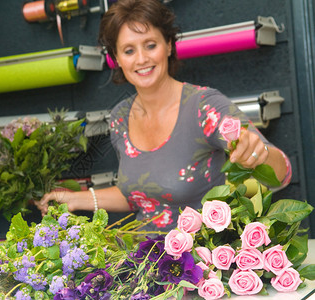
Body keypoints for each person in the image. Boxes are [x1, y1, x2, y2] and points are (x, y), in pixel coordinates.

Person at [35, 0, 292, 232]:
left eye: (150, 45)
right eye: (128, 50)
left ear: (168, 45)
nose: (142, 59)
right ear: (116, 59)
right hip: (142, 260)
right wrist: (74, 198)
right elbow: (138, 196)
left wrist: (259, 154)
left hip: (199, 262)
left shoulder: (204, 107)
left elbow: (282, 174)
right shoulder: (120, 117)